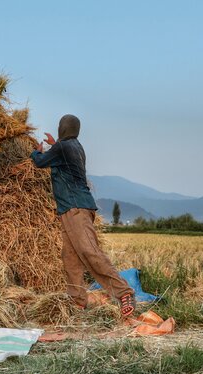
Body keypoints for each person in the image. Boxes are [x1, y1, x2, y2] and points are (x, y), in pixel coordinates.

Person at [30, 114, 136, 317]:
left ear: (62, 129)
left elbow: (40, 162)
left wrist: (37, 151)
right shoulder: (75, 146)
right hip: (72, 209)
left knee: (89, 251)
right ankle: (77, 301)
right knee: (70, 257)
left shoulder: (62, 148)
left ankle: (124, 293)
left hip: (75, 208)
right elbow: (61, 158)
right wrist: (55, 145)